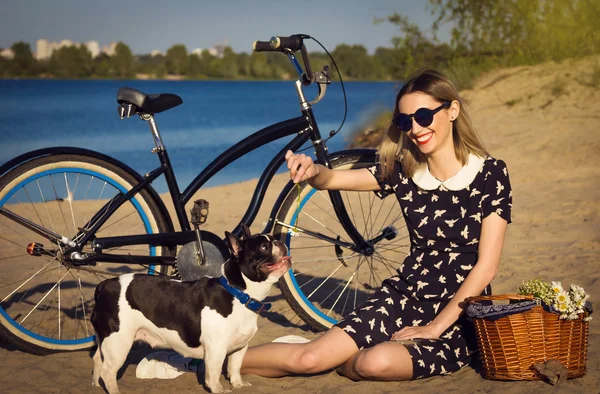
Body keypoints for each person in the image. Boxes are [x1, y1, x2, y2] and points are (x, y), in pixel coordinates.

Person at [240, 68, 512, 381]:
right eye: (404, 121)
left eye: (424, 115)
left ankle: (342, 355)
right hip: (403, 298)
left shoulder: (490, 174)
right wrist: (312, 169)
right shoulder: (404, 170)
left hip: (459, 313)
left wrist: (436, 327)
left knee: (373, 363)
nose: (415, 128)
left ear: (452, 110)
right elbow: (333, 179)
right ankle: (213, 358)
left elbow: (486, 267)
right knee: (309, 358)